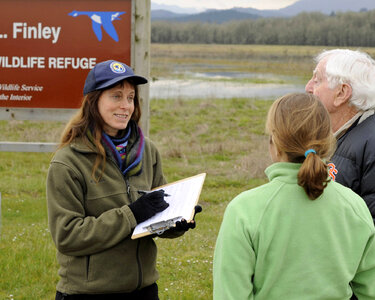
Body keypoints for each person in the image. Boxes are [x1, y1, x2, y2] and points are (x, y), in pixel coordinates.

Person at [46, 60, 200, 300]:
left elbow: (153, 215)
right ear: (93, 101)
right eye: (116, 96)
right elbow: (67, 236)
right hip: (89, 293)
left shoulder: (148, 151)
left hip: (144, 291)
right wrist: (131, 214)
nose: (126, 106)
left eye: (130, 97)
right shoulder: (67, 162)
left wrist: (175, 222)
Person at [213, 93, 375, 300]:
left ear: (275, 143)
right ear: (327, 140)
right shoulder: (354, 206)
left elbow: (230, 294)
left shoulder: (244, 210)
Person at [305, 49, 375, 223]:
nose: (308, 88)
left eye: (317, 80)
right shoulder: (344, 134)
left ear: (342, 93)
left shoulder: (371, 143)